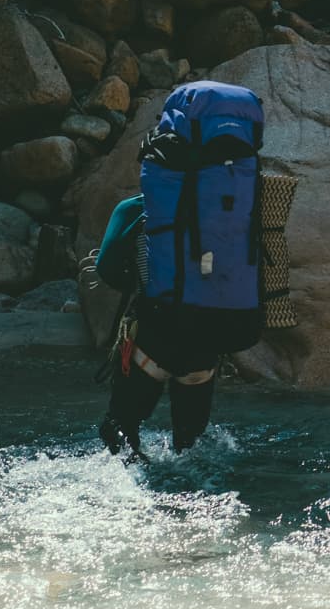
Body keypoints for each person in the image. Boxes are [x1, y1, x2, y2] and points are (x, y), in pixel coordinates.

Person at [93, 80, 269, 459]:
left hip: (160, 328)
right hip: (214, 338)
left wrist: (145, 279)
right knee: (190, 452)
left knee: (120, 437)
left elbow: (107, 269)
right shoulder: (243, 210)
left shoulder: (137, 210)